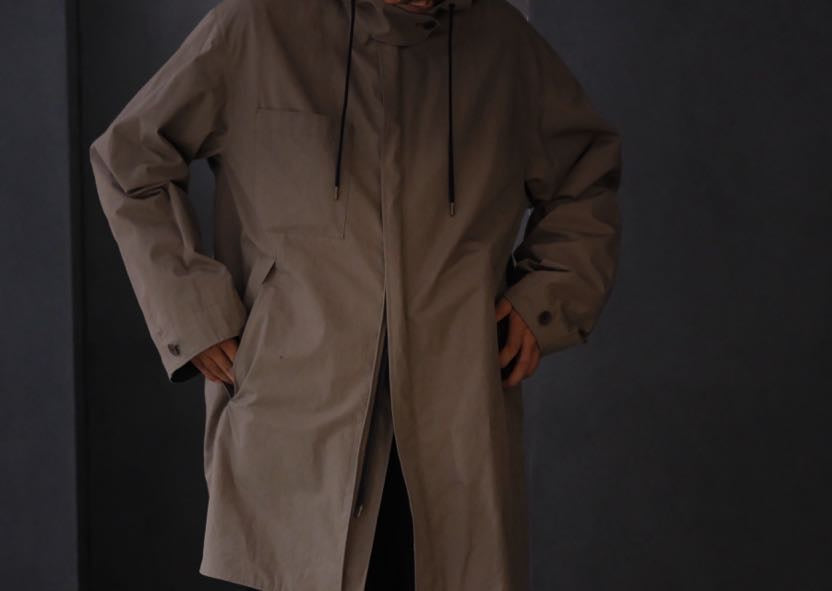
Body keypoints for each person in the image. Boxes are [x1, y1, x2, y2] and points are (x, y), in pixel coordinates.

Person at [89, 0, 622, 589]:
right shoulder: (258, 26)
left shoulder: (502, 42)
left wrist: (547, 296)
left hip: (456, 425)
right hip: (293, 420)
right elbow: (130, 161)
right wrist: (193, 311)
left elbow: (586, 176)